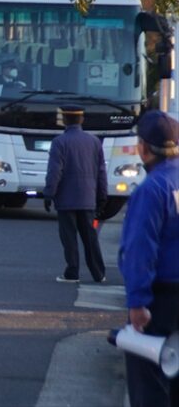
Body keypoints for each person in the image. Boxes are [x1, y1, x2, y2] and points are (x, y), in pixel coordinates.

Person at [118, 110, 179, 407]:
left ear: (143, 147)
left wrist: (137, 302)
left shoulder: (152, 190)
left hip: (161, 298)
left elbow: (140, 249)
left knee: (149, 381)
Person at [42, 104, 108, 284]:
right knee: (90, 237)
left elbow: (55, 171)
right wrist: (102, 195)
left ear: (64, 120)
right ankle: (98, 273)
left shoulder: (59, 142)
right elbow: (101, 171)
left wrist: (49, 194)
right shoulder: (94, 142)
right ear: (82, 120)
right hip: (88, 197)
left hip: (66, 199)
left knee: (69, 236)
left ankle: (72, 272)